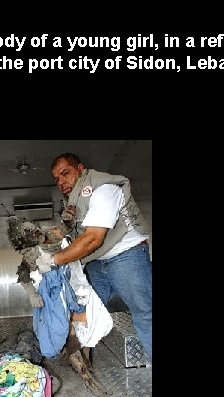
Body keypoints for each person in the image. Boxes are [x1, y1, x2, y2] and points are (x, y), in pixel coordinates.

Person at [35, 152, 152, 359]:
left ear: (80, 169)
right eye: (57, 179)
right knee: (84, 311)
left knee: (145, 313)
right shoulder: (74, 202)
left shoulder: (103, 188)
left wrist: (53, 261)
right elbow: (69, 233)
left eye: (65, 173)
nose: (61, 182)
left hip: (126, 256)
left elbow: (92, 239)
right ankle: (84, 364)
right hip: (97, 262)